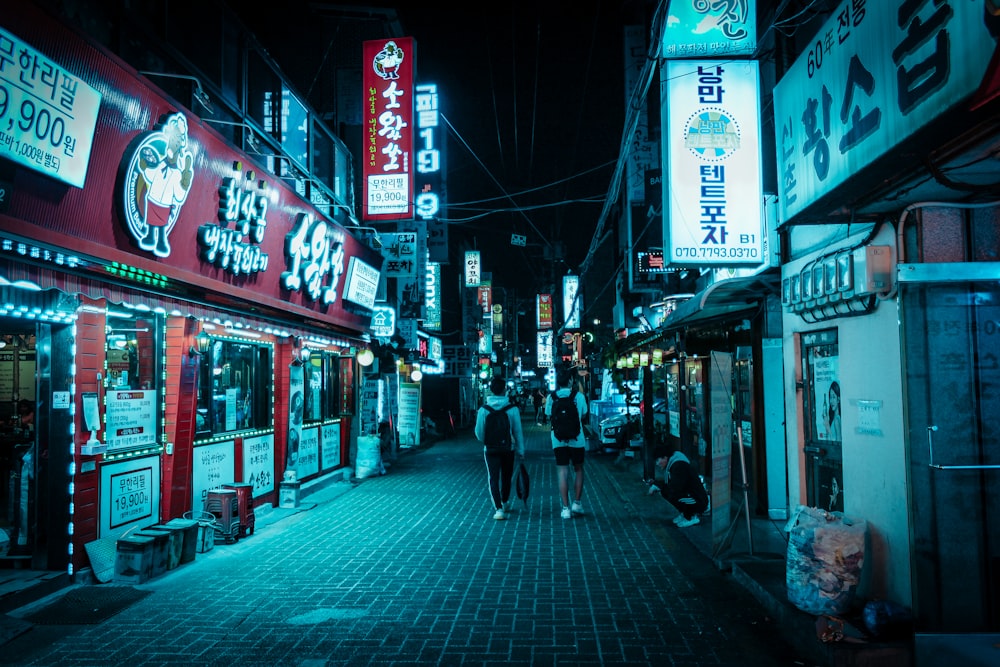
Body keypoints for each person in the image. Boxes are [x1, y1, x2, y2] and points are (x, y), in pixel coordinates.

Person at [474, 376, 524, 521]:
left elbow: (478, 432)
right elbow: (517, 431)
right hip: (508, 448)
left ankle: (498, 509)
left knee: (493, 478)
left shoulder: (484, 410)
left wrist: (488, 440)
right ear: (505, 390)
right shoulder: (512, 409)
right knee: (506, 476)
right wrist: (521, 450)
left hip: (490, 449)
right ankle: (505, 501)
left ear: (491, 390)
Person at [546, 367, 589, 519]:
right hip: (577, 439)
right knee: (578, 469)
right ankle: (577, 503)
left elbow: (548, 415)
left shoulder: (552, 397)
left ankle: (565, 508)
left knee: (562, 472)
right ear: (570, 380)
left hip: (557, 440)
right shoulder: (579, 396)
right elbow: (584, 414)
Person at [648, 445, 709, 527]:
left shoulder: (679, 466)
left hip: (698, 500)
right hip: (692, 496)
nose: (657, 463)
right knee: (667, 492)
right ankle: (685, 514)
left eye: (658, 460)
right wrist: (657, 484)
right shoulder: (674, 464)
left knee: (670, 493)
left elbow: (675, 487)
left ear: (665, 457)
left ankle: (690, 517)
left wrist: (658, 486)